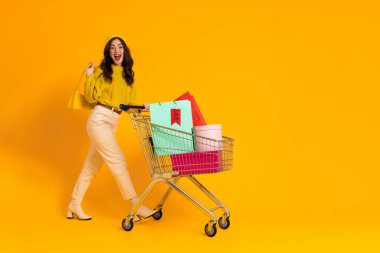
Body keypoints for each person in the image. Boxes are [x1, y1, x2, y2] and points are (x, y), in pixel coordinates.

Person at [67, 36, 157, 221]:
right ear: (109, 53)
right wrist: (90, 75)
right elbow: (91, 98)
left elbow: (129, 104)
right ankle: (135, 204)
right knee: (119, 161)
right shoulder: (101, 72)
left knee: (91, 167)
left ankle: (74, 204)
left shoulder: (128, 75)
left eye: (120, 47)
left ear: (125, 51)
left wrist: (142, 107)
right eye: (113, 48)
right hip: (99, 120)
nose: (117, 50)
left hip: (113, 122)